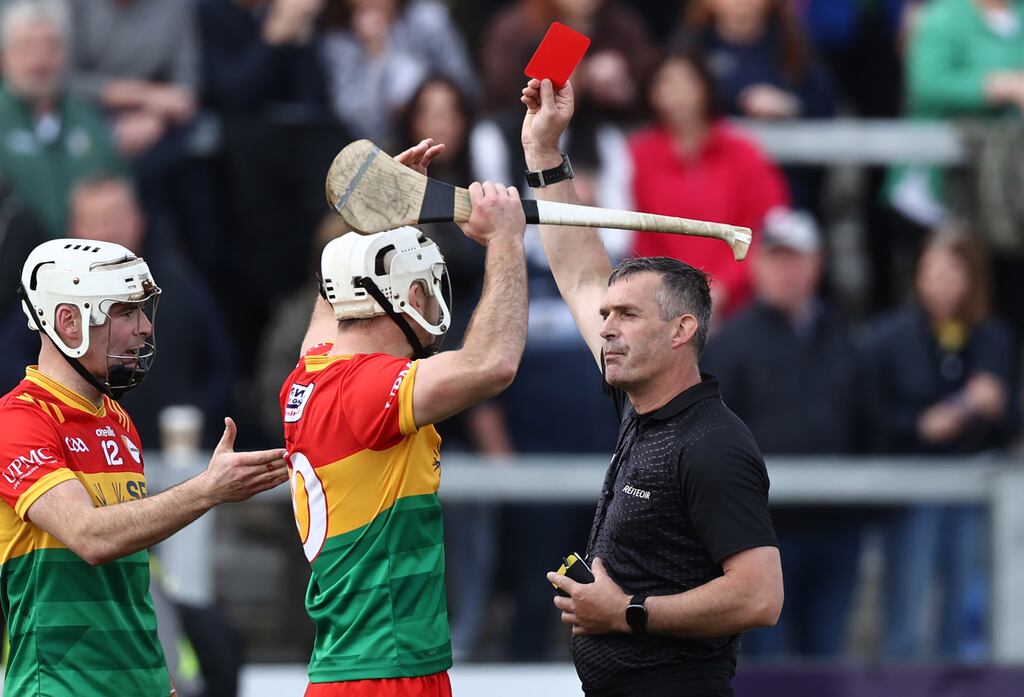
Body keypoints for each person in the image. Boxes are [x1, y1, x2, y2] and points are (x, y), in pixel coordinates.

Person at [524, 78, 783, 696]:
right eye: (606, 317)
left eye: (628, 316)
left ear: (681, 330)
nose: (606, 328)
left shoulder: (713, 443)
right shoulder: (642, 403)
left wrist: (628, 612)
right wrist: (542, 153)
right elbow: (582, 273)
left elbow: (760, 595)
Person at [279, 139, 528, 695]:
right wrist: (506, 241)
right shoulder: (367, 389)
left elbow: (336, 285)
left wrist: (373, 211)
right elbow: (494, 364)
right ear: (412, 293)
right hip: (385, 671)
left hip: (364, 665)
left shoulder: (309, 374)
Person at [0, 238, 289, 696]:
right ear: (68, 322)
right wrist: (208, 490)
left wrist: (159, 677)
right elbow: (90, 537)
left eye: (143, 310)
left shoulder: (117, 421)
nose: (145, 329)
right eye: (124, 312)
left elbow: (126, 580)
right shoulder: (18, 421)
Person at [702, 208, 866, 658]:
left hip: (835, 523)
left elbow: (865, 418)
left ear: (817, 265)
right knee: (768, 661)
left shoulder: (841, 334)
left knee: (826, 656)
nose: (786, 271)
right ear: (757, 267)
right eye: (776, 259)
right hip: (761, 533)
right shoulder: (732, 343)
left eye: (796, 259)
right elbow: (710, 434)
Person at [864, 224, 1018, 660]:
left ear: (972, 279)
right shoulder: (889, 337)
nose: (940, 284)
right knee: (907, 620)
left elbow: (1008, 422)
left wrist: (995, 406)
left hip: (972, 490)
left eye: (952, 274)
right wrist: (919, 426)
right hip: (912, 490)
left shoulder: (992, 336)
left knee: (965, 620)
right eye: (932, 271)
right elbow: (873, 416)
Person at [627, 49, 789, 319]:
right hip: (663, 305)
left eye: (686, 82)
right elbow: (639, 236)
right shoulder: (637, 156)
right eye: (664, 83)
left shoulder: (743, 151)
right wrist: (677, 294)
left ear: (705, 85)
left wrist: (723, 288)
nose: (676, 93)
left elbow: (766, 226)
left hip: (742, 305)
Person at [0, 0, 125, 238]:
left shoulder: (90, 122)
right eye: (27, 47)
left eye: (51, 46)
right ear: (5, 58)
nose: (40, 61)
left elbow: (122, 201)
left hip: (85, 265)